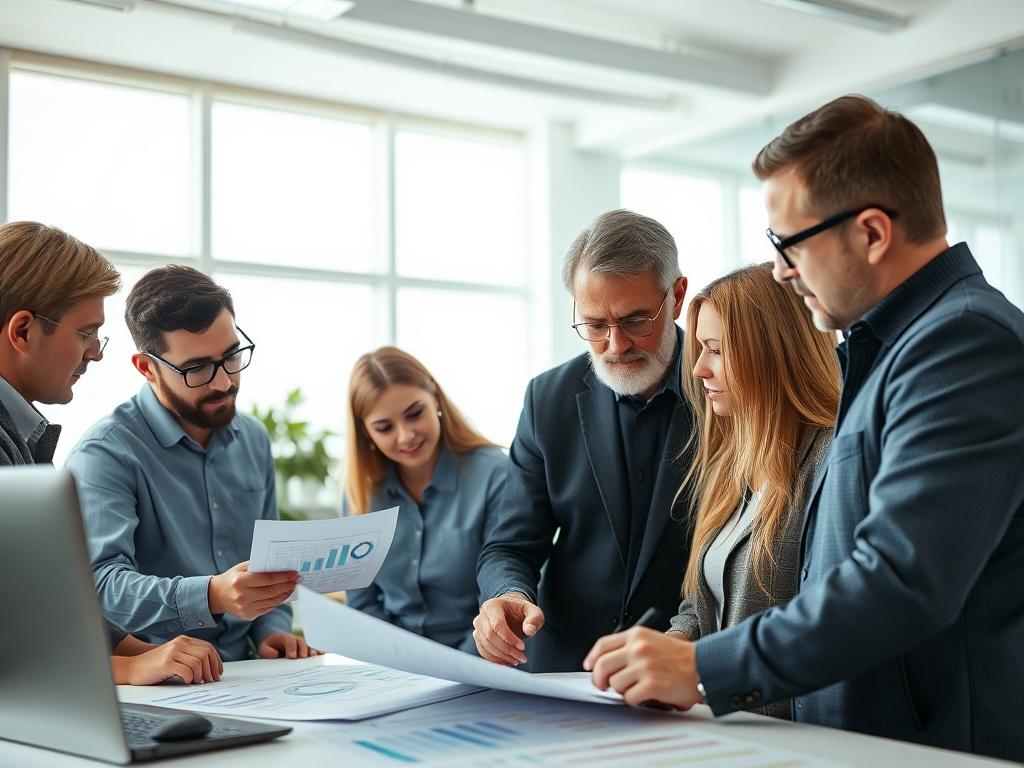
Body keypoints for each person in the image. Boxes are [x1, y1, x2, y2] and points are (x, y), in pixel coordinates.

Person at [585, 95, 1024, 762]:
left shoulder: (962, 343)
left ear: (872, 232)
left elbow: (900, 580)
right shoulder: (887, 348)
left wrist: (704, 667)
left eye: (790, 245)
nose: (784, 271)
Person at [0, 221, 222, 685]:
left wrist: (146, 653)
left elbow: (46, 596)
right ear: (22, 331)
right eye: (86, 333)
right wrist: (125, 668)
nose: (95, 354)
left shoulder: (22, 437)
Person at [474, 209, 695, 672]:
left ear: (677, 295)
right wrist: (507, 595)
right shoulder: (547, 398)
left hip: (684, 666)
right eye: (595, 325)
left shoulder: (725, 386)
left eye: (636, 320)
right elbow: (511, 544)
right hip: (564, 666)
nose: (615, 345)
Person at [67, 266, 317, 663]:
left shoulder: (252, 439)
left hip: (251, 673)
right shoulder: (106, 454)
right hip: (157, 678)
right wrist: (212, 594)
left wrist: (273, 630)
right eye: (197, 368)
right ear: (146, 367)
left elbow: (268, 565)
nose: (223, 383)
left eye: (232, 356)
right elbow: (99, 587)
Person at [664, 262, 839, 719]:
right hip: (728, 727)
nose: (699, 368)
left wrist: (696, 668)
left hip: (797, 738)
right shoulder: (731, 465)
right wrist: (675, 644)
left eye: (715, 350)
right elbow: (707, 599)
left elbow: (832, 619)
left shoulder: (832, 461)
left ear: (772, 353)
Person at [342, 347, 507, 652]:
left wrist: (454, 668)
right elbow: (362, 602)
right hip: (393, 666)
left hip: (479, 661)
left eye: (415, 414)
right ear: (366, 433)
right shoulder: (362, 490)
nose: (406, 436)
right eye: (384, 427)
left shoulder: (494, 474)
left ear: (436, 398)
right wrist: (399, 662)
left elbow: (503, 591)